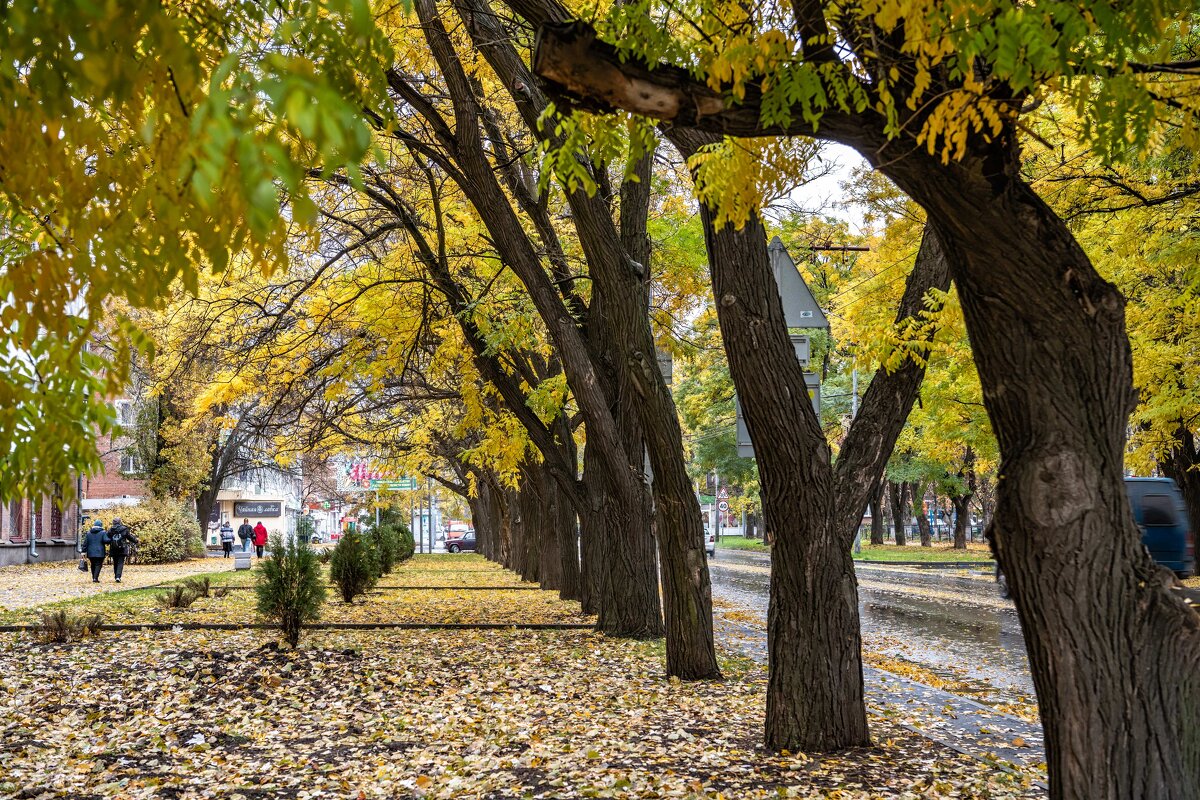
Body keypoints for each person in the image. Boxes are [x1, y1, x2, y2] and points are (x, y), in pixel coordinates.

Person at [106, 517, 138, 583]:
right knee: (120, 562)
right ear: (120, 522)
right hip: (122, 548)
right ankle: (118, 577)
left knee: (115, 562)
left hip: (113, 548)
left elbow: (107, 537)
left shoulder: (111, 529)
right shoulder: (124, 529)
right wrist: (136, 541)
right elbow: (129, 537)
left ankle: (116, 576)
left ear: (113, 522)